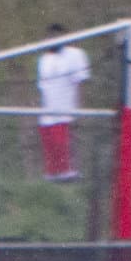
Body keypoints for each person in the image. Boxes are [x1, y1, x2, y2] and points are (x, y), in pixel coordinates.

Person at [35, 26, 92, 182]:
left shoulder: (75, 55)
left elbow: (81, 83)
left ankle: (69, 174)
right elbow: (43, 88)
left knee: (64, 145)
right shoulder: (44, 59)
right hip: (47, 113)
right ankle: (52, 177)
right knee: (51, 149)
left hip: (66, 110)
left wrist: (79, 110)